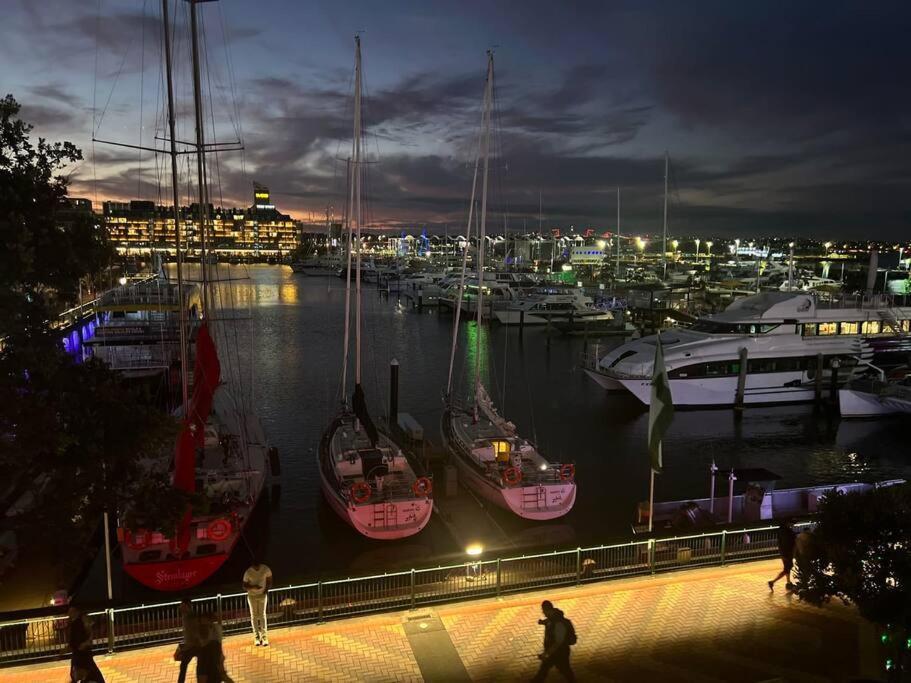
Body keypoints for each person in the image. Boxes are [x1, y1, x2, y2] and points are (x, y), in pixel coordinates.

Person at [532, 600, 576, 682]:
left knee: (564, 670)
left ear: (548, 610)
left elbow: (558, 642)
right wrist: (542, 622)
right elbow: (549, 622)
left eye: (543, 611)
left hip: (560, 653)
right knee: (545, 669)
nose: (543, 613)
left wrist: (547, 653)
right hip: (554, 651)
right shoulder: (551, 618)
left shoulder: (558, 624)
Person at [67, 606, 105, 683]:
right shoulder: (72, 622)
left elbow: (90, 634)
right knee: (76, 673)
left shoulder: (83, 619)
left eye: (72, 611)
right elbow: (72, 639)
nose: (69, 613)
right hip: (77, 652)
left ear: (76, 611)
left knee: (88, 671)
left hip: (84, 652)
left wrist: (86, 643)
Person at [242, 558, 272, 646]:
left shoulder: (265, 569)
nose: (257, 568)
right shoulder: (248, 572)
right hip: (252, 596)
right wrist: (253, 587)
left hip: (262, 595)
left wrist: (266, 590)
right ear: (252, 565)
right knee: (254, 616)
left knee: (262, 615)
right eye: (255, 567)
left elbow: (270, 579)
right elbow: (244, 586)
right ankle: (256, 637)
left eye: (258, 566)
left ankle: (264, 637)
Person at [175, 599, 201, 683]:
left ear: (186, 606)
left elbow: (194, 632)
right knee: (185, 666)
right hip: (192, 646)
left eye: (182, 605)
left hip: (193, 646)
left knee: (184, 667)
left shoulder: (190, 617)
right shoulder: (186, 616)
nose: (180, 607)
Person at [768, 520, 797, 591]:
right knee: (787, 569)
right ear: (787, 523)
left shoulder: (782, 530)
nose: (793, 525)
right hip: (787, 553)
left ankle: (788, 583)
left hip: (784, 553)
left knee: (787, 568)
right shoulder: (786, 532)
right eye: (792, 523)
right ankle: (772, 582)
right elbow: (789, 541)